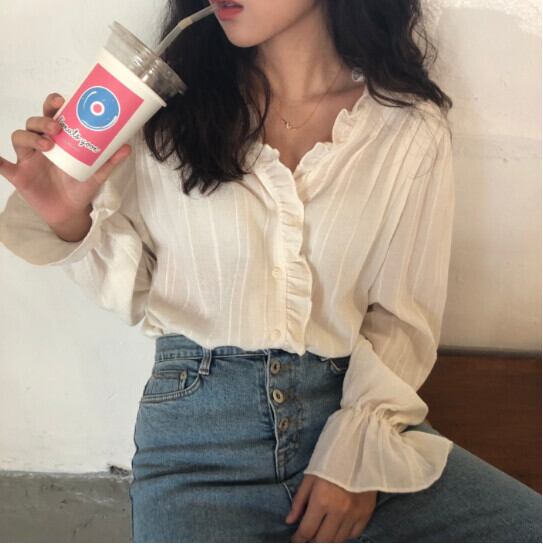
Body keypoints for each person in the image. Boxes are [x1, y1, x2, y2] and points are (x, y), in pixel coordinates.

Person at [0, 1, 540, 542]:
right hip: (199, 448)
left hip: (351, 418)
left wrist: (354, 457)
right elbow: (136, 291)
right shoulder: (158, 112)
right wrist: (69, 218)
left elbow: (402, 318)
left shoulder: (407, 127)